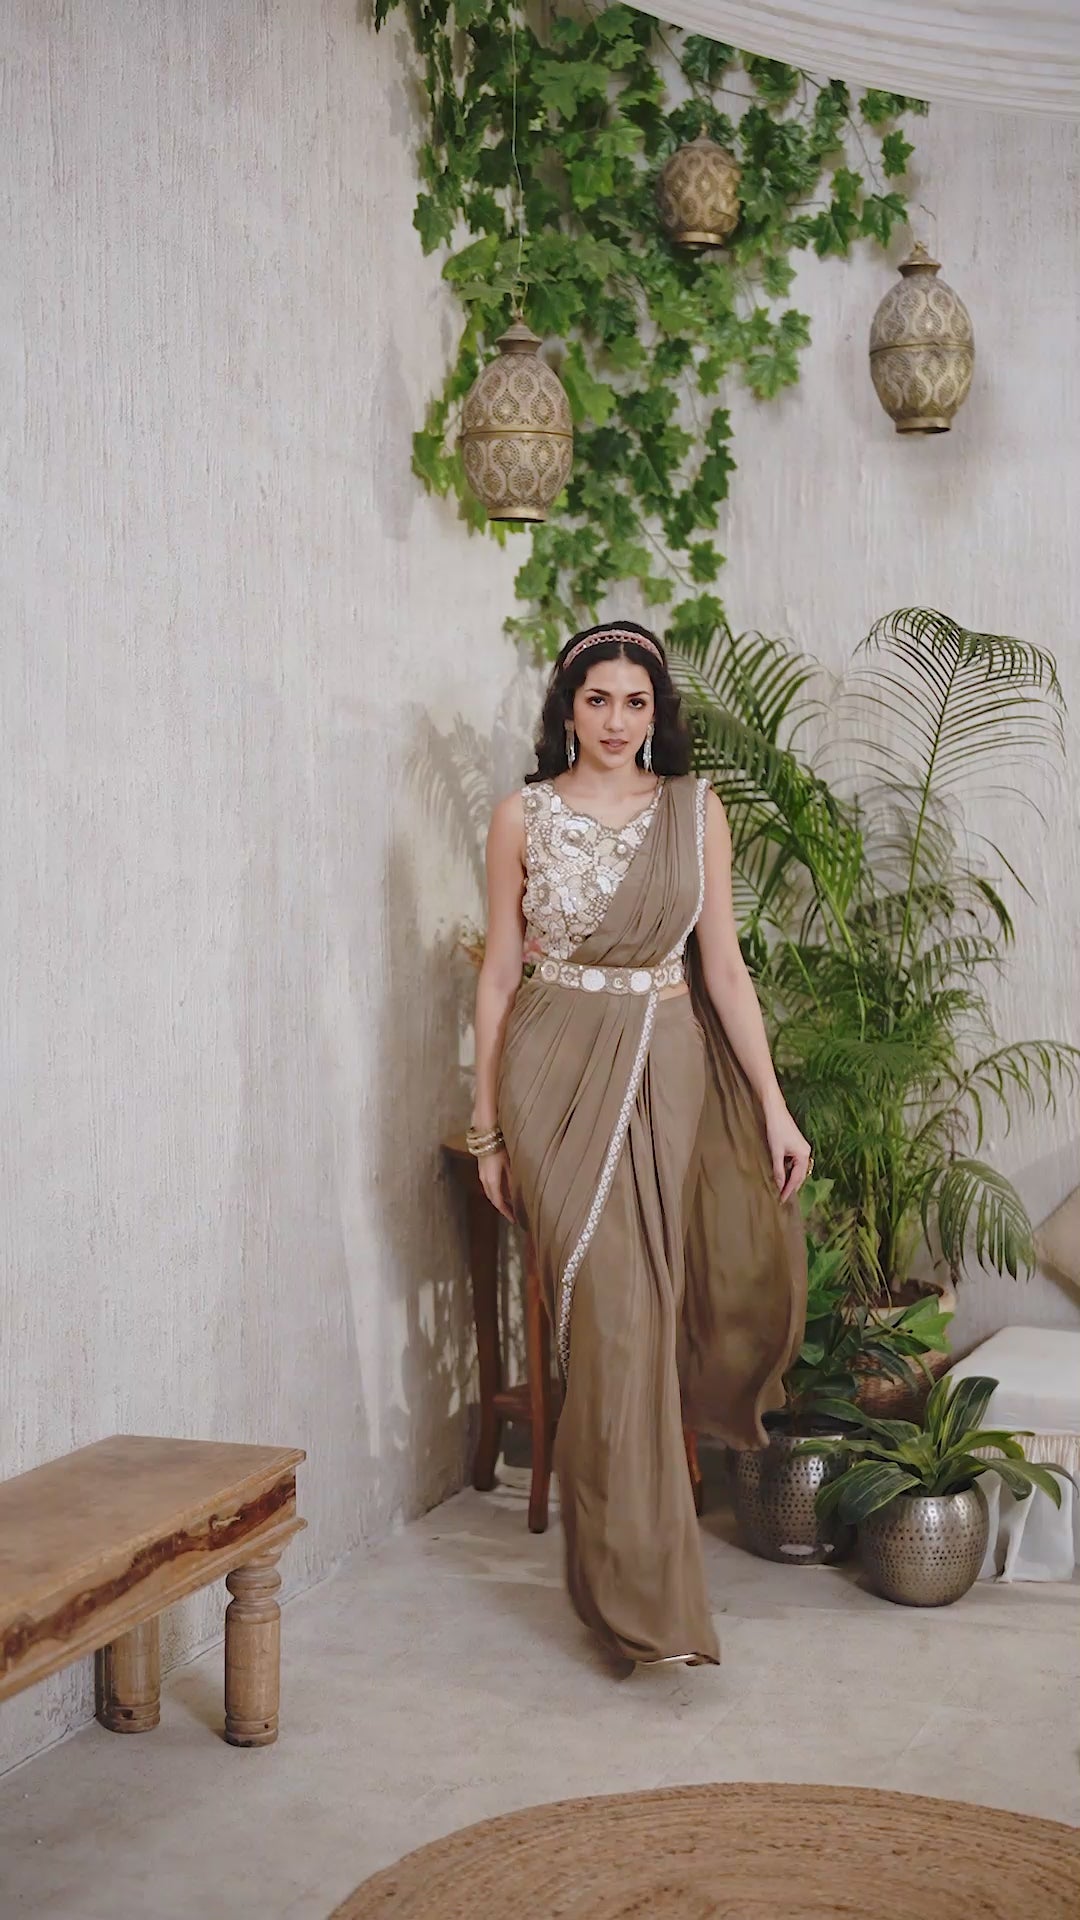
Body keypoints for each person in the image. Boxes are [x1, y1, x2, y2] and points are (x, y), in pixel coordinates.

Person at [468, 620, 810, 1669]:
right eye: (597, 700)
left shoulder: (694, 811)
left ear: (658, 714)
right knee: (610, 1316)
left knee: (648, 1317)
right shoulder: (520, 815)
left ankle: (645, 1585)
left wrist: (775, 1105)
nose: (616, 721)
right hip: (550, 1067)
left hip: (666, 1062)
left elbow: (726, 970)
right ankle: (630, 1590)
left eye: (635, 702)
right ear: (566, 709)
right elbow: (499, 973)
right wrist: (486, 1127)